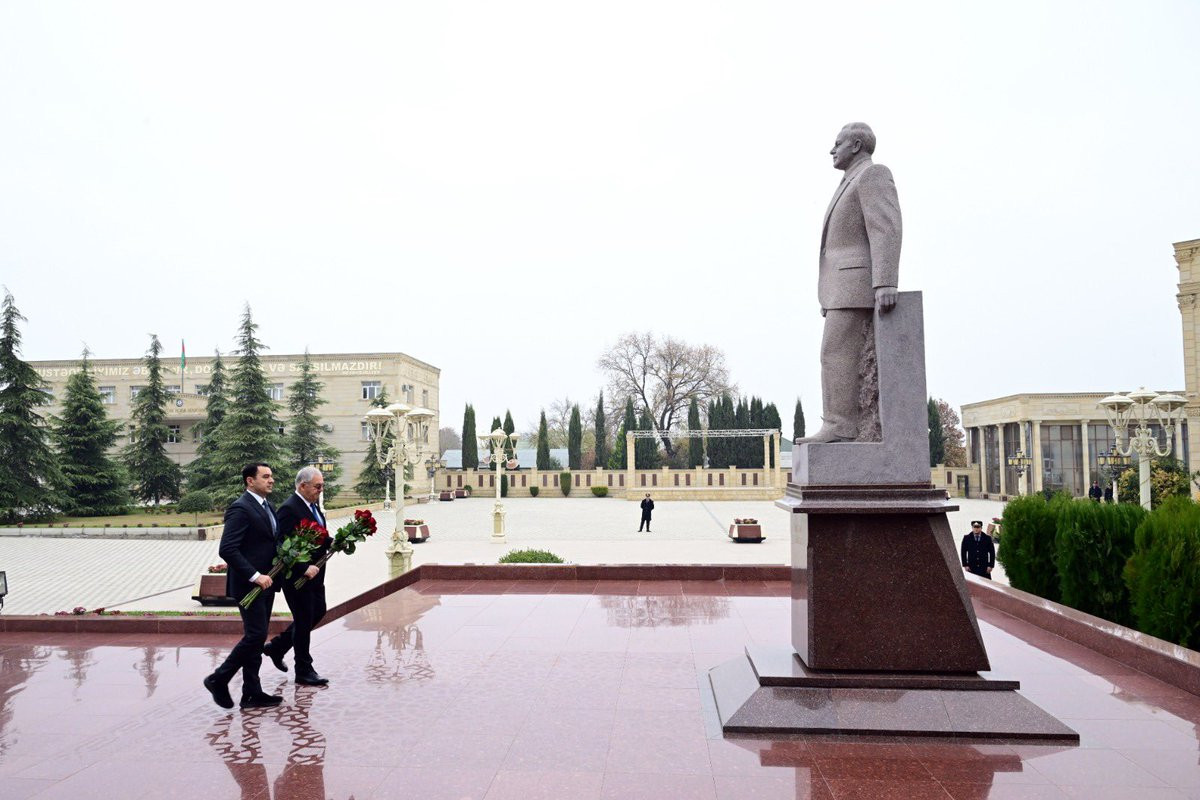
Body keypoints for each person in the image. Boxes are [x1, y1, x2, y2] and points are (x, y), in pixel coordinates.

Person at [797, 122, 901, 444]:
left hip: (856, 286)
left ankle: (841, 426)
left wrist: (885, 281)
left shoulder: (873, 174)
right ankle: (839, 422)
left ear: (856, 146)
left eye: (838, 143)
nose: (832, 150)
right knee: (832, 354)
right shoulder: (850, 180)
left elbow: (886, 227)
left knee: (835, 353)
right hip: (840, 288)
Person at [203, 463, 284, 709]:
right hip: (249, 585)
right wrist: (254, 575)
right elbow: (227, 549)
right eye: (266, 476)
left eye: (271, 476)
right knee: (255, 635)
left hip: (266, 583)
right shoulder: (240, 508)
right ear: (250, 480)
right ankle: (218, 678)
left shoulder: (267, 505)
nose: (271, 480)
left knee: (257, 637)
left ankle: (251, 692)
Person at [263, 466, 331, 686]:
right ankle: (303, 669)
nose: (321, 490)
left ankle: (277, 647)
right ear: (303, 486)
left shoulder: (313, 506)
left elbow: (318, 536)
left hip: (316, 574)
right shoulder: (289, 508)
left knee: (318, 611)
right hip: (297, 577)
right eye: (318, 486)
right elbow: (280, 543)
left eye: (322, 486)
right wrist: (302, 567)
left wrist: (336, 541)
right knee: (303, 621)